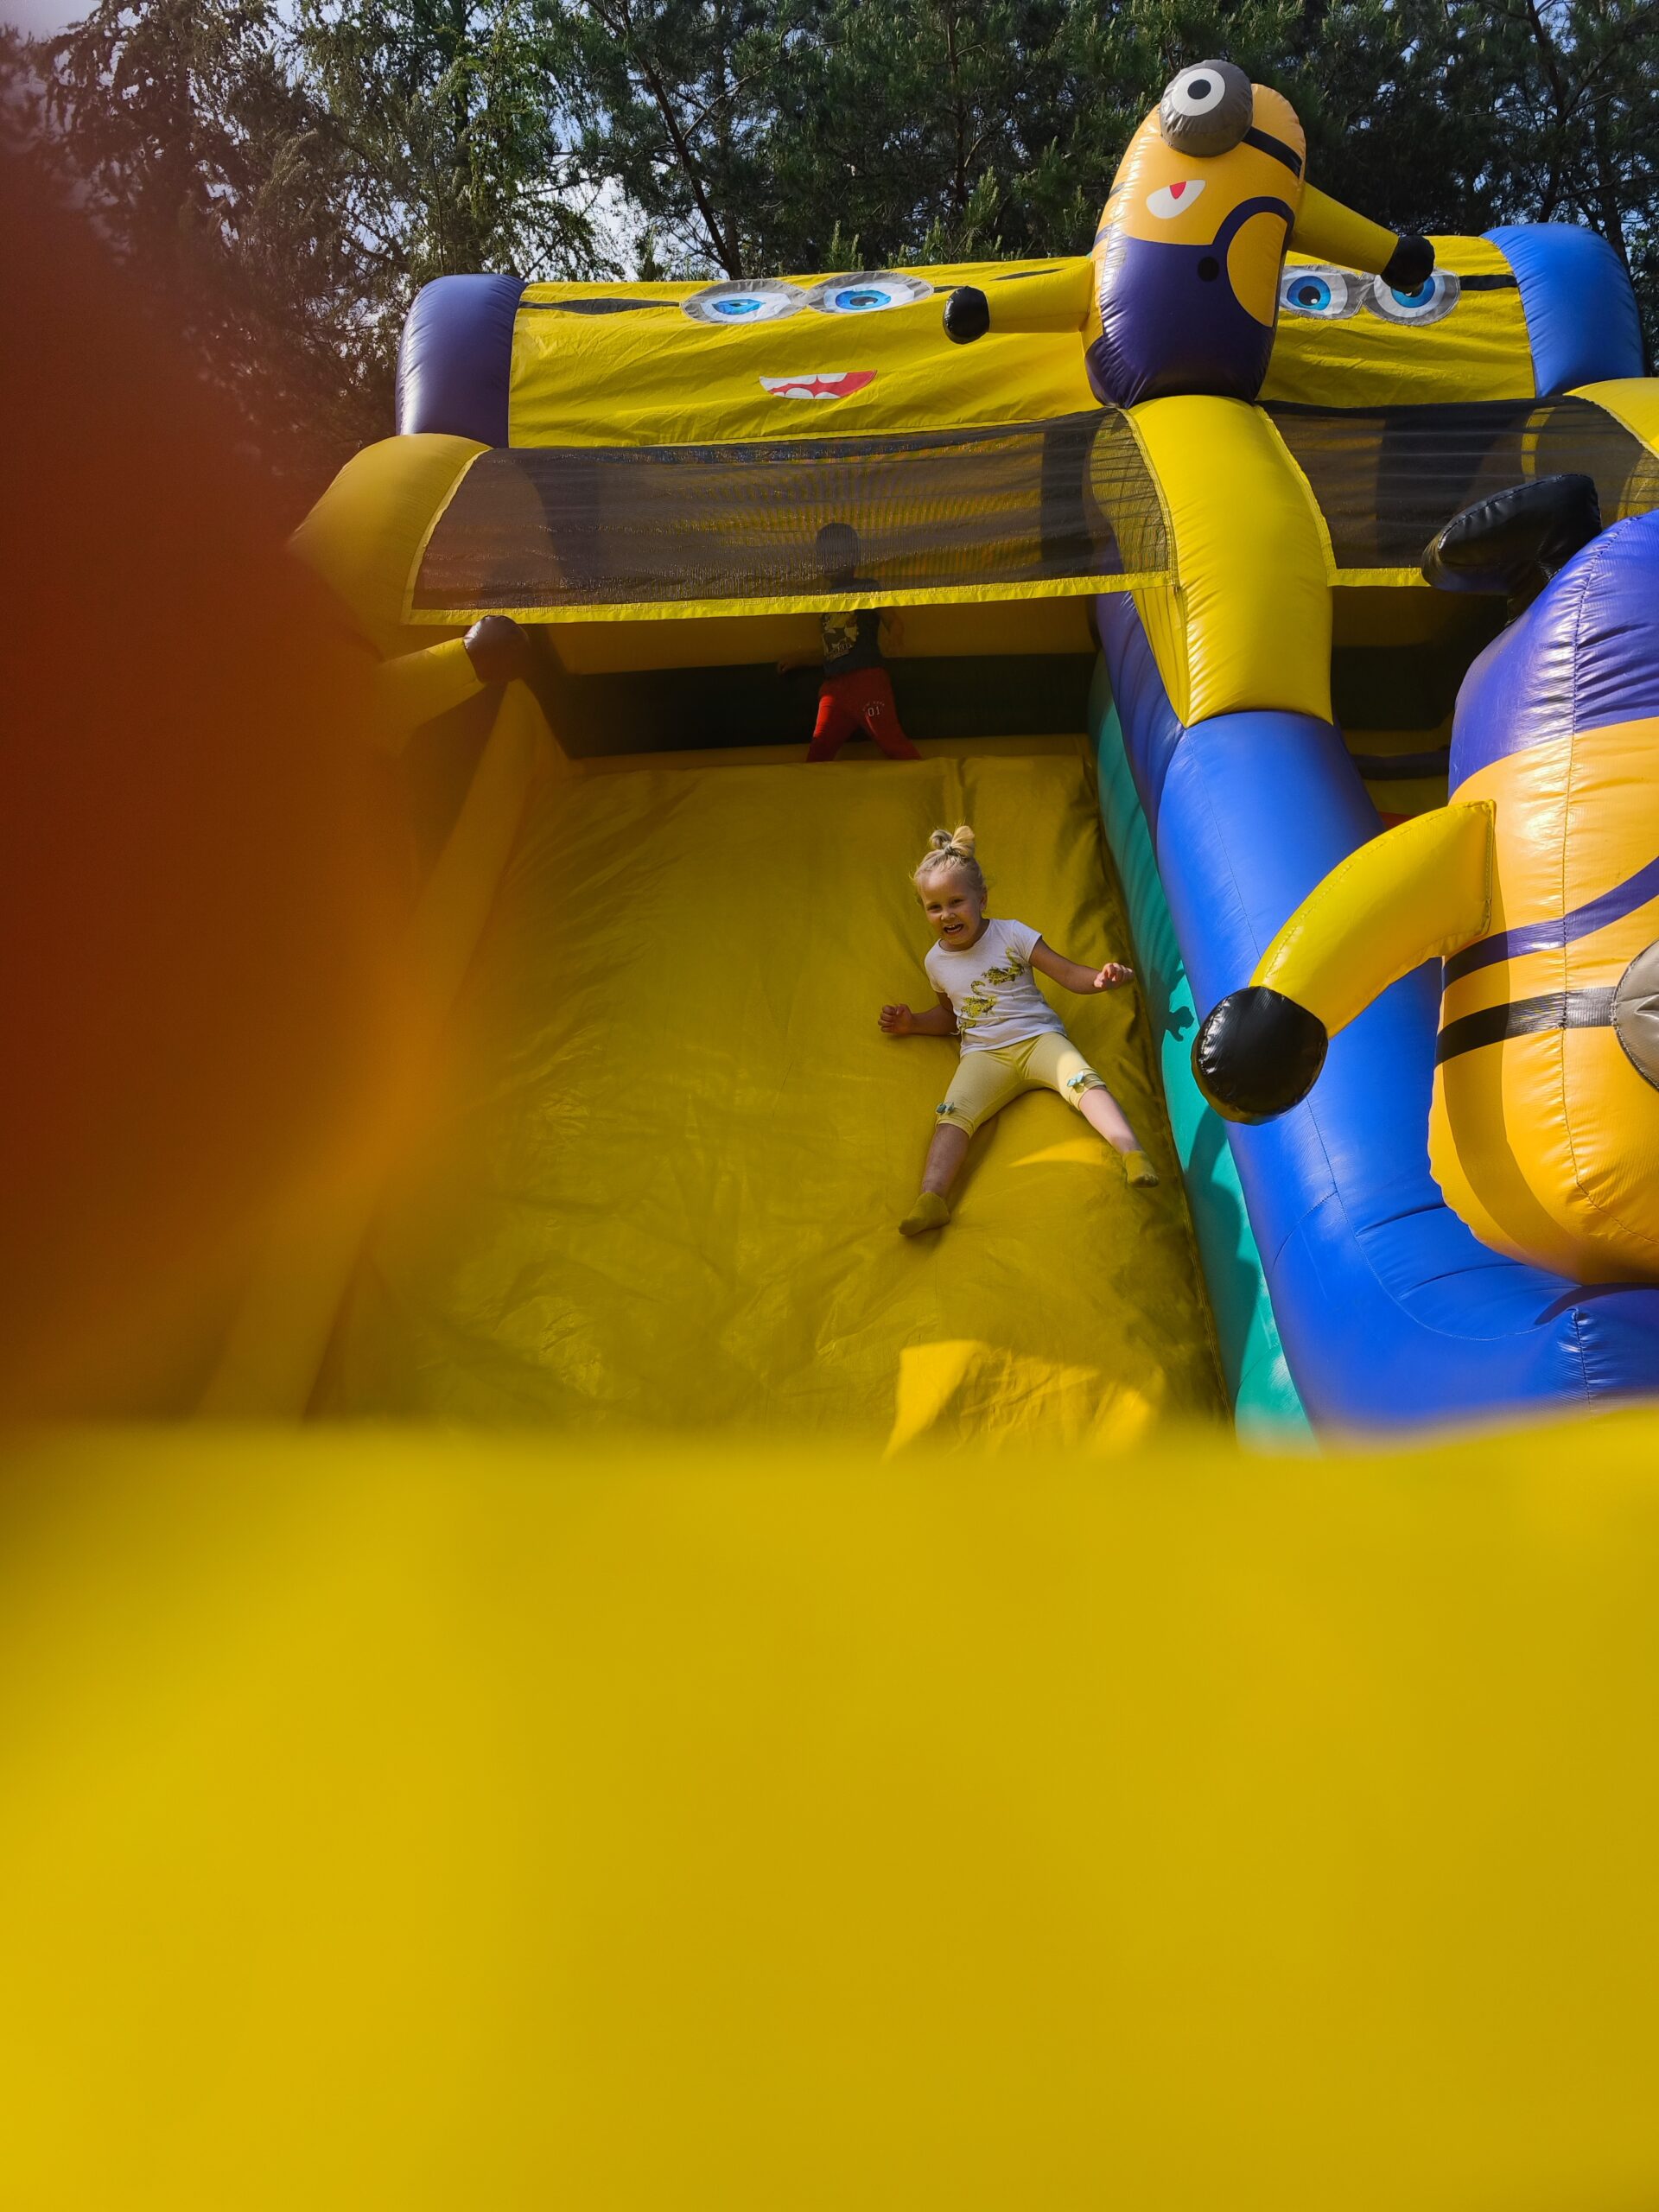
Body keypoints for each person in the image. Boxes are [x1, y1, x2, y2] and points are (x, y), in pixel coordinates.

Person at [880, 824, 1159, 1235]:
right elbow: (951, 1016)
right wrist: (914, 1024)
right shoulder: (935, 962)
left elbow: (1067, 973)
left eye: (956, 902)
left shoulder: (1012, 934)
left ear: (981, 899)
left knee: (1083, 1081)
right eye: (934, 907)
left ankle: (1132, 1153)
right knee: (952, 1115)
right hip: (983, 1054)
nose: (947, 915)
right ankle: (932, 1198)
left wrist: (1101, 980)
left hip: (1038, 1038)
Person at [779, 521, 920, 761]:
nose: (829, 562)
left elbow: (892, 619)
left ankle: (926, 778)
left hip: (867, 681)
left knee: (893, 743)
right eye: (824, 556)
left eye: (836, 555)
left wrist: (895, 636)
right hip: (834, 688)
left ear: (853, 558)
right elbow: (832, 649)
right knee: (818, 754)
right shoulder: (825, 601)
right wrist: (799, 659)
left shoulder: (866, 587)